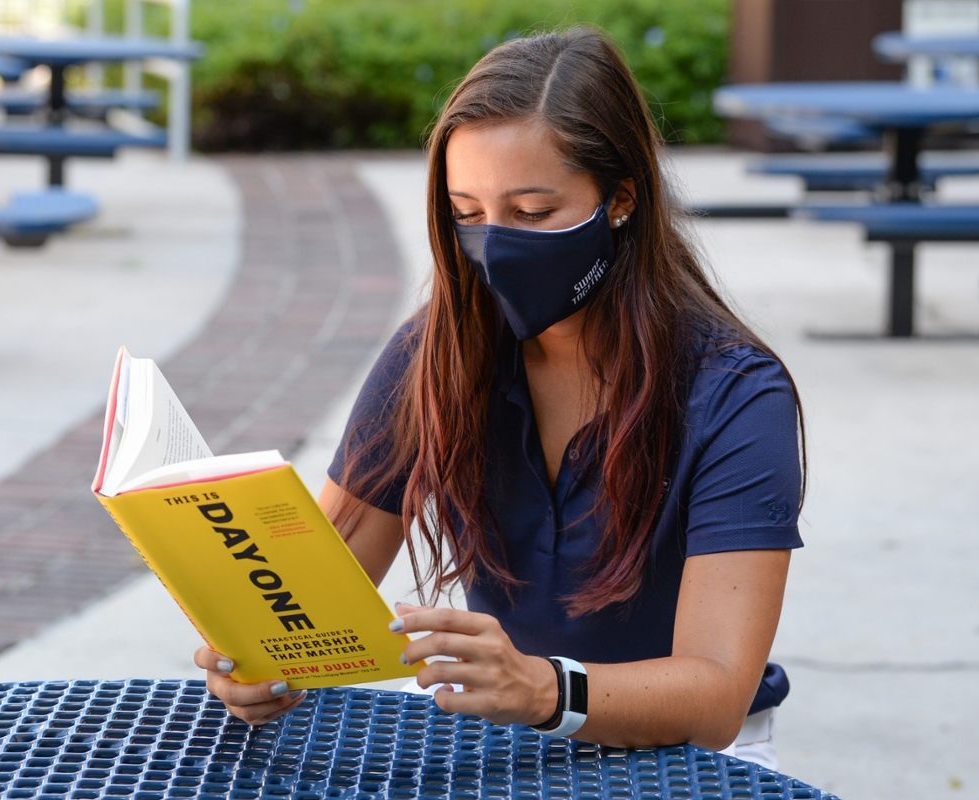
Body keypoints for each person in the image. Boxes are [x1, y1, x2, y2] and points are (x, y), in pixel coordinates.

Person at [194, 26, 804, 766]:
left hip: (689, 756)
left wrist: (546, 690)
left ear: (620, 200)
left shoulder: (733, 392)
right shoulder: (437, 352)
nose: (495, 246)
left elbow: (714, 698)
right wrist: (261, 659)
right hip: (506, 733)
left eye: (533, 212)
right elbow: (319, 589)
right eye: (468, 213)